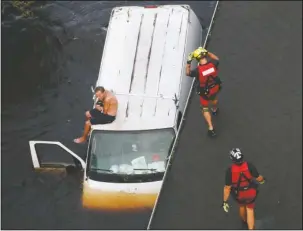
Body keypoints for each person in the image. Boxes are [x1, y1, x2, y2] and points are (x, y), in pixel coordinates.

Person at [222, 148, 266, 230]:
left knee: (241, 206)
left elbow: (227, 188)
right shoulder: (249, 165)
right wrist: (263, 180)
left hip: (239, 194)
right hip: (250, 193)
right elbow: (258, 177)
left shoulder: (229, 170)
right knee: (250, 209)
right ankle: (251, 228)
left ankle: (244, 221)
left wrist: (225, 201)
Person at [186, 47, 222, 137]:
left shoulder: (198, 71)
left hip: (204, 92)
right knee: (214, 98)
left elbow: (188, 73)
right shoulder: (213, 64)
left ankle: (211, 128)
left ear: (197, 59)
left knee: (205, 108)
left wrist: (189, 62)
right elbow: (216, 58)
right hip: (214, 88)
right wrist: (207, 52)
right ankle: (214, 109)